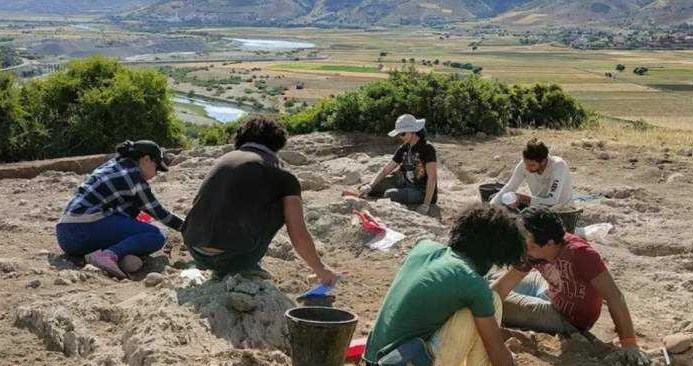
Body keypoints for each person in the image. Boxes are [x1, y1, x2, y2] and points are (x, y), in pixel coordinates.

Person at [364, 204, 533, 366]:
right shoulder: (473, 284)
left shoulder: (425, 248)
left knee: (460, 350)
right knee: (488, 303)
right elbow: (501, 365)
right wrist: (510, 360)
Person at [182, 116, 341, 284]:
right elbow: (297, 231)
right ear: (278, 144)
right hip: (233, 257)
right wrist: (320, 268)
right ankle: (245, 268)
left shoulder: (223, 160)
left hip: (195, 250)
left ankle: (226, 265)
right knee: (286, 201)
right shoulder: (282, 175)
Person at [503, 208, 650, 366]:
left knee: (496, 304)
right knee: (488, 286)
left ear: (550, 243)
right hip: (552, 288)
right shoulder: (535, 251)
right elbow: (503, 285)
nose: (524, 249)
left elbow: (614, 296)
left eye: (528, 245)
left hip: (566, 317)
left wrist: (629, 343)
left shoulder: (581, 254)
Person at [56, 140, 181, 279]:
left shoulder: (113, 166)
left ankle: (107, 256)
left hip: (65, 236)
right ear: (146, 159)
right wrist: (188, 228)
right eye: (156, 167)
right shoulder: (133, 176)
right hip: (85, 229)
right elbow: (159, 213)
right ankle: (108, 255)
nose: (156, 173)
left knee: (138, 233)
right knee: (156, 235)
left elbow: (126, 212)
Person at [359, 113, 438, 215]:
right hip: (403, 180)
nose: (401, 137)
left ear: (413, 131)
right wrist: (370, 185)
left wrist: (426, 205)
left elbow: (432, 177)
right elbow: (386, 170)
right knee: (366, 188)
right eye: (399, 134)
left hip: (421, 190)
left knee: (389, 195)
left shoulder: (427, 148)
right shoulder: (404, 148)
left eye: (403, 133)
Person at [489, 139, 572, 209]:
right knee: (496, 198)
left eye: (532, 165)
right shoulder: (524, 165)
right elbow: (510, 187)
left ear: (543, 161)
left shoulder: (558, 166)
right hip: (538, 205)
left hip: (561, 209)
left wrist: (522, 198)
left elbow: (552, 201)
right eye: (525, 163)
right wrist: (492, 205)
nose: (527, 168)